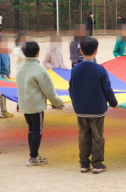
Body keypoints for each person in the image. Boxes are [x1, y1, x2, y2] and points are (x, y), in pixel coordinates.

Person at [69, 37, 119, 174]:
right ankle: (97, 163)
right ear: (96, 51)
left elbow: (71, 89)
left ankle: (84, 163)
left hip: (81, 109)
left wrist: (76, 103)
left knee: (83, 135)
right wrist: (113, 103)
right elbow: (107, 89)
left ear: (80, 51)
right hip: (97, 109)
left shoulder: (75, 69)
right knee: (97, 136)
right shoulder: (100, 69)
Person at [16, 41, 64, 167]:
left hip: (25, 105)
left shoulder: (20, 68)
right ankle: (33, 157)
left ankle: (33, 155)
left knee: (31, 129)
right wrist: (58, 102)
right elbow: (48, 90)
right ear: (38, 53)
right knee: (38, 130)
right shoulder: (40, 70)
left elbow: (19, 87)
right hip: (36, 106)